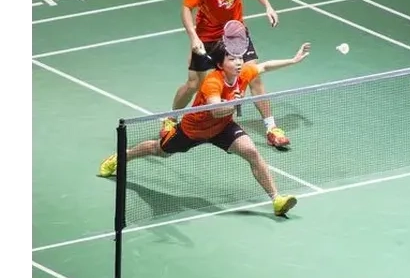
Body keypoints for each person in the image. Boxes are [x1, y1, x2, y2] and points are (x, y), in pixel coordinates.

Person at [98, 41, 312, 217]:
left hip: (222, 128)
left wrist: (293, 60)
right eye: (232, 59)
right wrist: (235, 102)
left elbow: (264, 67)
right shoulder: (213, 82)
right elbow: (216, 110)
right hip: (193, 130)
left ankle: (276, 200)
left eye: (239, 58)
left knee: (251, 152)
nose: (238, 62)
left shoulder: (243, 73)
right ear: (220, 64)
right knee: (159, 150)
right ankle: (122, 157)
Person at [163, 0, 290, 149]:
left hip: (234, 32)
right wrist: (193, 37)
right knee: (193, 84)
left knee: (254, 76)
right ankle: (171, 119)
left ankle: (271, 127)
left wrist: (268, 6)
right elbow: (186, 8)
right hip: (207, 37)